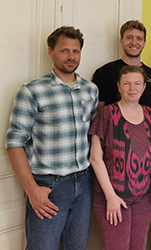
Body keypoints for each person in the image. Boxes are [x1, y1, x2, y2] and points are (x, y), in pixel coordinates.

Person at [5, 26, 98, 250]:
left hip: (84, 183)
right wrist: (32, 189)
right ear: (51, 52)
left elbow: (93, 136)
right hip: (49, 185)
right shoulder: (32, 91)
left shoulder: (90, 90)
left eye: (75, 51)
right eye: (64, 51)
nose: (71, 57)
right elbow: (14, 142)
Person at [89, 65, 151, 250]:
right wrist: (111, 197)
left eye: (137, 83)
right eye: (126, 83)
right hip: (113, 195)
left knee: (138, 247)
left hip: (145, 196)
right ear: (119, 86)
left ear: (144, 87)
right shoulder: (107, 114)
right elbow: (95, 158)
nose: (132, 88)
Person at [93, 20, 151, 116]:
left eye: (139, 38)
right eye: (129, 38)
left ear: (144, 44)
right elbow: (98, 114)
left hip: (147, 130)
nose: (134, 42)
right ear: (121, 42)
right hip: (113, 130)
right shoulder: (104, 73)